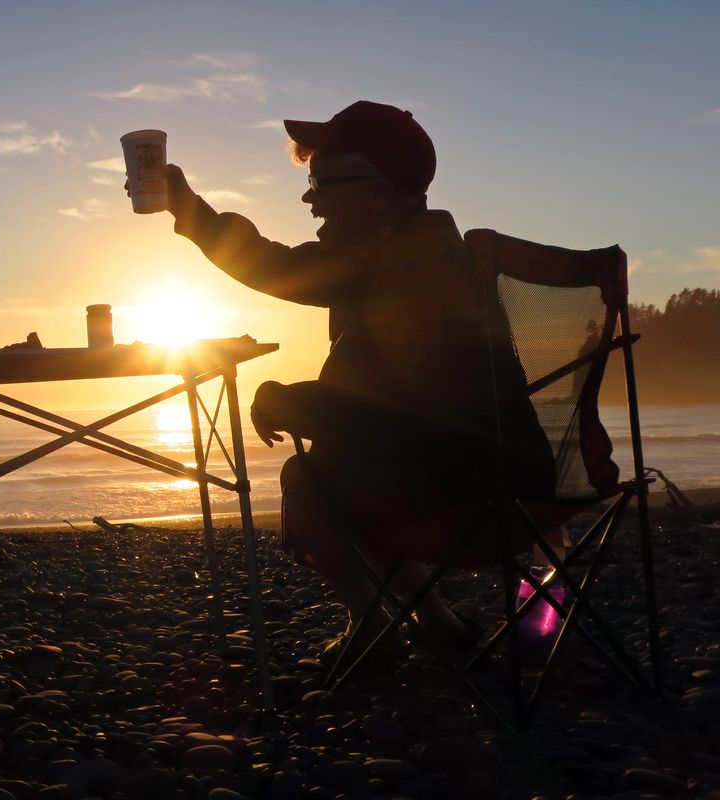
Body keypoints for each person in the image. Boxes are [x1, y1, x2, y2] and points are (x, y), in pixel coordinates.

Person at [142, 100, 554, 652]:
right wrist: (189, 211)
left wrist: (284, 400)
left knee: (311, 481)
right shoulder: (414, 254)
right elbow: (280, 267)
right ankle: (439, 628)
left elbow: (395, 408)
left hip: (469, 496)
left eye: (322, 183)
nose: (310, 201)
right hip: (514, 484)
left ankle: (377, 626)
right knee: (345, 470)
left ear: (378, 193)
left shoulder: (411, 273)